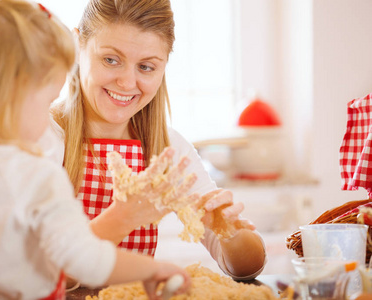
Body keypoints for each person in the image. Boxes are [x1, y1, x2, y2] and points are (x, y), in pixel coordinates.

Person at [0, 1, 191, 299]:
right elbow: (85, 258)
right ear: (13, 94)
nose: (50, 110)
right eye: (49, 96)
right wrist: (154, 270)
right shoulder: (34, 175)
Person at [46, 0, 267, 282]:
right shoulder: (44, 137)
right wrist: (124, 216)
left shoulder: (167, 149)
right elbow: (34, 271)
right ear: (77, 46)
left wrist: (230, 233)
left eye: (146, 67)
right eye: (111, 60)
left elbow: (247, 268)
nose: (127, 82)